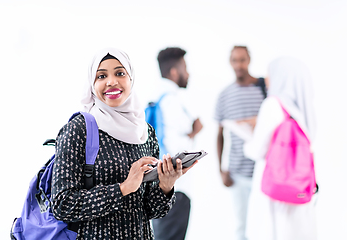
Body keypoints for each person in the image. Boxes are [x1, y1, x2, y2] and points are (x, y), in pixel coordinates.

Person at [51, 48, 197, 240]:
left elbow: (151, 210)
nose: (111, 81)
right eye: (102, 75)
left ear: (131, 79)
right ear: (92, 84)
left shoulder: (145, 132)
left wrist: (166, 185)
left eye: (120, 73)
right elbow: (62, 205)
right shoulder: (79, 130)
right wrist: (123, 188)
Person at [243, 56, 317, 240]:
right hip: (298, 191)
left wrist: (247, 138)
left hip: (275, 195)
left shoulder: (273, 105)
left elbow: (256, 150)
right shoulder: (303, 110)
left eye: (270, 74)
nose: (267, 80)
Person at [151, 47, 203, 240]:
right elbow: (176, 147)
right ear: (174, 71)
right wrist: (193, 131)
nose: (187, 73)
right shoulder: (171, 100)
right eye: (184, 67)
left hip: (160, 185)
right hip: (175, 187)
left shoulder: (154, 98)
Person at [214, 46, 266, 240]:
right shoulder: (225, 95)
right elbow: (220, 134)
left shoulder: (264, 89)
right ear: (230, 62)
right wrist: (221, 169)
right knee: (241, 227)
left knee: (265, 225)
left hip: (263, 169)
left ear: (249, 60)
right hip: (238, 173)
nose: (239, 65)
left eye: (242, 60)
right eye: (235, 60)